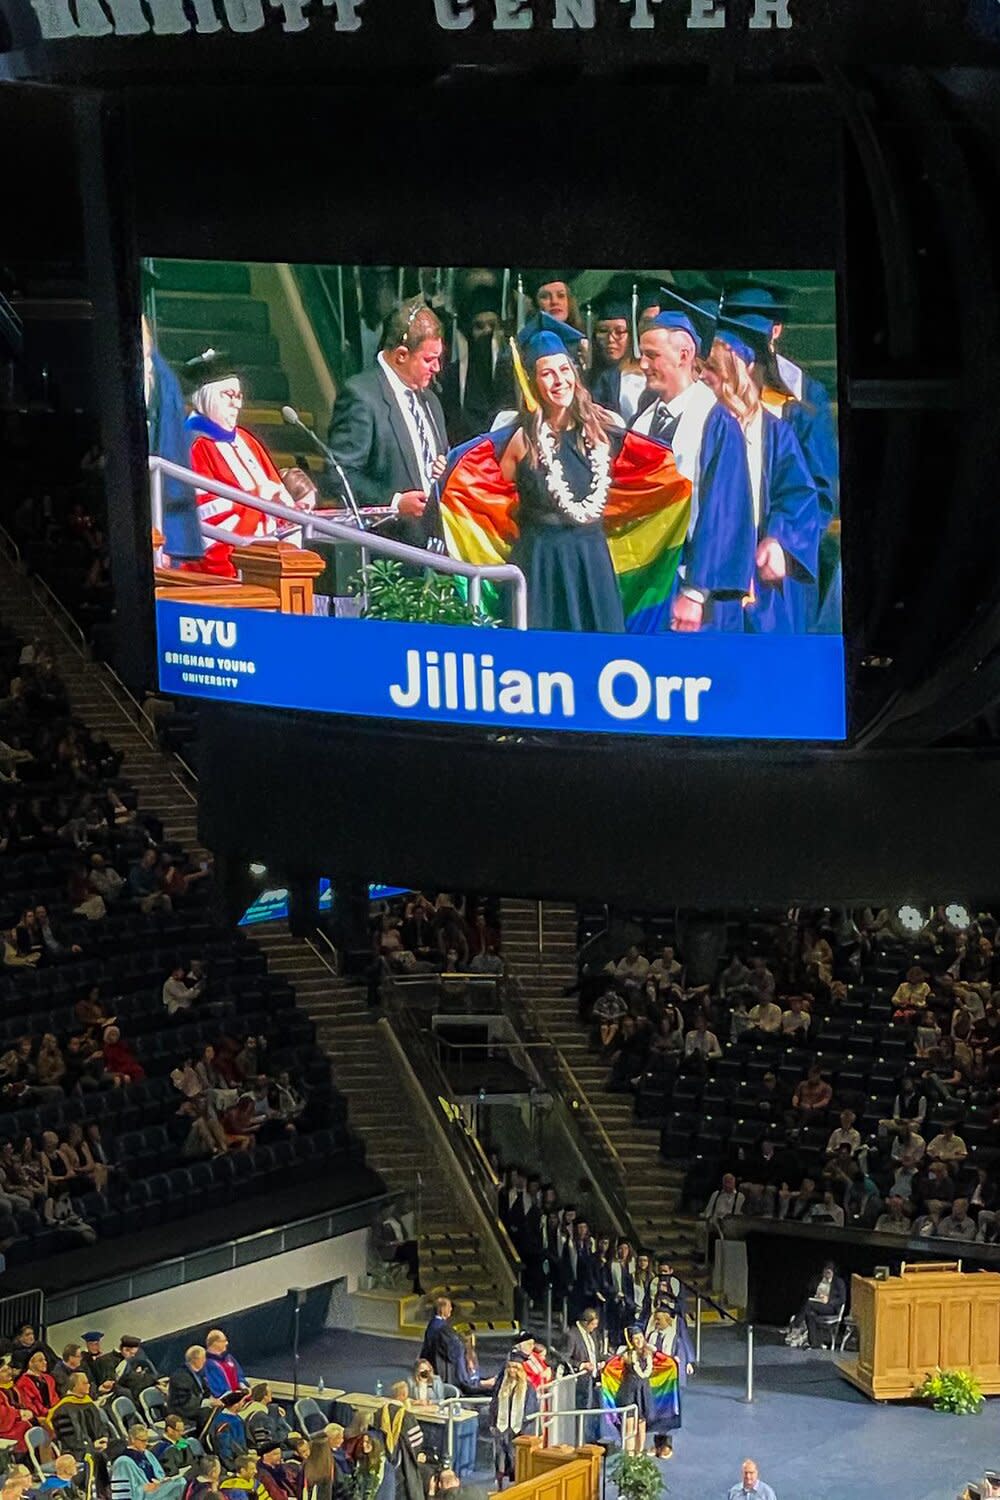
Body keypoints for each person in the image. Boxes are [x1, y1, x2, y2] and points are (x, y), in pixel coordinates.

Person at [436, 311, 691, 634]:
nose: (559, 381)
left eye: (564, 370)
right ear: (532, 383)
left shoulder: (601, 433)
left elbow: (645, 475)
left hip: (592, 564)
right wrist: (450, 471)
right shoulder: (520, 441)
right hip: (541, 567)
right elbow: (492, 494)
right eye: (547, 374)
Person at [629, 286, 757, 633]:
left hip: (700, 594)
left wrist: (695, 592)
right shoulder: (642, 420)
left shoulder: (715, 420)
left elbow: (724, 511)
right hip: (652, 582)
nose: (642, 364)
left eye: (652, 355)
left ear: (684, 355)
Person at [699, 318, 821, 633]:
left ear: (741, 368)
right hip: (704, 576)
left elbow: (797, 495)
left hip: (756, 578)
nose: (704, 377)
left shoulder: (773, 431)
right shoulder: (697, 424)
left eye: (713, 368)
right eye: (700, 369)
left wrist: (779, 540)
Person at [178, 350, 316, 578]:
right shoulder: (194, 446)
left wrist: (291, 510)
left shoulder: (246, 440)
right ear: (207, 396)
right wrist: (260, 499)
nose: (236, 404)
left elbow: (278, 493)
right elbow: (211, 525)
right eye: (228, 395)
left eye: (239, 396)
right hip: (229, 573)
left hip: (271, 559)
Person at [326, 301, 448, 549]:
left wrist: (445, 466)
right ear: (402, 355)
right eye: (429, 359)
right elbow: (339, 475)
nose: (437, 368)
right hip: (390, 553)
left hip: (439, 551)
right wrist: (394, 503)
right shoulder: (361, 395)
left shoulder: (431, 401)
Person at [439, 284, 515, 445]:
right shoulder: (453, 376)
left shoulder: (514, 373)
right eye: (479, 326)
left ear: (502, 330)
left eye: (493, 326)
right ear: (469, 332)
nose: (487, 332)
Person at [588, 287, 647, 423]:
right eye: (603, 331)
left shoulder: (648, 376)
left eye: (620, 332)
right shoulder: (586, 379)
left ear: (631, 335)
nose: (611, 339)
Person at [488, 1353, 538, 1489]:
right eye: (509, 1368)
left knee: (516, 1460)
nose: (512, 1371)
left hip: (519, 1430)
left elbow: (532, 1410)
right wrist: (492, 1424)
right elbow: (494, 1405)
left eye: (515, 1368)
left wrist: (525, 1432)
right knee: (500, 1458)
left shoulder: (529, 1388)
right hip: (502, 1428)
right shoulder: (501, 1384)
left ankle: (517, 1487)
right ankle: (500, 1487)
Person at [111, 1426, 187, 1500]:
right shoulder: (123, 1462)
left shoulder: (147, 1454)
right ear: (132, 1439)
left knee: (181, 1483)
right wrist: (144, 1488)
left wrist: (162, 1480)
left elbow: (160, 1474)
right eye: (142, 1440)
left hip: (156, 1492)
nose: (146, 1443)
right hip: (144, 1496)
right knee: (179, 1484)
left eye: (147, 1440)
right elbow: (121, 1494)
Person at [794, 1262, 847, 1348]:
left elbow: (842, 1299)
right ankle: (814, 1343)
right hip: (818, 1304)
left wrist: (828, 1300)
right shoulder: (820, 1279)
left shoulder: (838, 1282)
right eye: (825, 1272)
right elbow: (810, 1288)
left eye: (829, 1272)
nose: (827, 1274)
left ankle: (795, 1324)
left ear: (833, 1273)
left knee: (809, 1304)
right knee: (809, 1314)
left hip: (831, 1308)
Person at [168, 1346, 220, 1425]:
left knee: (219, 1410)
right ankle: (206, 1436)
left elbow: (205, 1391)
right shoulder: (180, 1376)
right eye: (203, 1358)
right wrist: (209, 1402)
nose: (205, 1361)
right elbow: (184, 1400)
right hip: (182, 1410)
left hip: (194, 1406)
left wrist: (212, 1398)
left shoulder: (198, 1373)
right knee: (207, 1413)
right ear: (195, 1360)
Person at [418, 1297, 462, 1388]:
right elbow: (452, 1352)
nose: (451, 1309)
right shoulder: (442, 1328)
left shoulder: (432, 1324)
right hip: (441, 1370)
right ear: (442, 1309)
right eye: (449, 1307)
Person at [14, 1349, 58, 1419]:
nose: (45, 1362)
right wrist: (49, 1412)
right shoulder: (23, 1382)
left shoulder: (49, 1379)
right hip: (38, 1418)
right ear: (31, 1363)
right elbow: (29, 1404)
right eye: (40, 1361)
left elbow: (54, 1397)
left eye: (45, 1360)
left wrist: (57, 1410)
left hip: (54, 1414)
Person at [203, 1331, 247, 1397]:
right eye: (223, 1341)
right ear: (215, 1343)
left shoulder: (228, 1357)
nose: (227, 1343)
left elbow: (239, 1373)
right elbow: (213, 1385)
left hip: (239, 1394)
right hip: (225, 1399)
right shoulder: (207, 1364)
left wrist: (242, 1384)